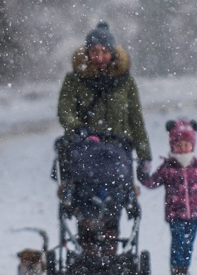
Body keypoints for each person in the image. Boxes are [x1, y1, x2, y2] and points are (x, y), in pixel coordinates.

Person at [57, 21, 152, 258]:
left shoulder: (126, 82)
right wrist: (76, 128)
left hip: (117, 148)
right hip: (84, 146)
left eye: (104, 51)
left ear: (112, 53)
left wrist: (144, 156)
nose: (99, 57)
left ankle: (110, 247)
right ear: (87, 53)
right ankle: (87, 246)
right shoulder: (74, 80)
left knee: (114, 196)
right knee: (84, 193)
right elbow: (65, 109)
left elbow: (136, 120)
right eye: (94, 52)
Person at [139, 119, 197, 275]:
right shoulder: (168, 167)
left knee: (188, 244)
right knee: (178, 241)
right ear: (173, 146)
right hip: (175, 214)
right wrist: (143, 173)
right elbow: (152, 182)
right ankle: (175, 272)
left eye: (186, 145)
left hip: (195, 215)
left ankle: (184, 271)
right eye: (179, 145)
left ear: (192, 146)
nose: (183, 149)